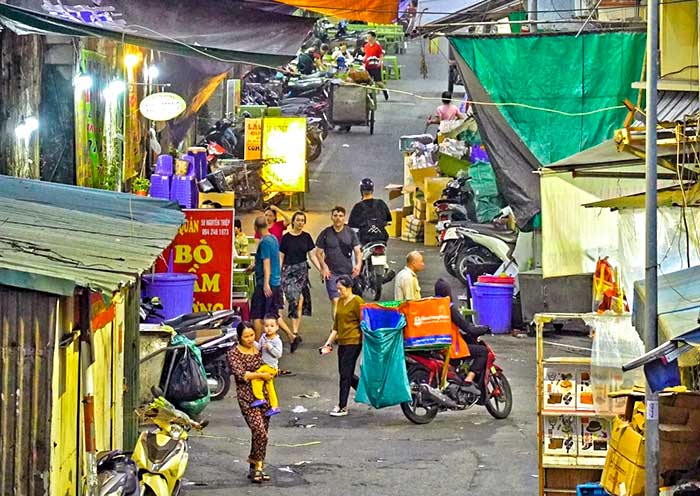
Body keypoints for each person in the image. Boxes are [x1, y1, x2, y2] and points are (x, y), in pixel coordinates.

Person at [228, 321, 274, 483]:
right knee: (259, 431)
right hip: (247, 398)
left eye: (251, 335)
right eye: (245, 336)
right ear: (239, 337)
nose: (249, 339)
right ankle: (257, 466)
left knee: (261, 434)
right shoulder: (233, 353)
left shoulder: (259, 348)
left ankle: (257, 468)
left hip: (264, 396)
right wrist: (260, 375)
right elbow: (241, 375)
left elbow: (271, 361)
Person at [434, 278, 487, 396]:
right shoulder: (449, 308)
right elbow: (468, 329)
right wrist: (485, 328)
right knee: (482, 352)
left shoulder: (433, 306)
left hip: (438, 345)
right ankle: (469, 380)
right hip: (452, 348)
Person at [320, 275, 364, 417]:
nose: (339, 292)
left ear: (349, 287)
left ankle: (342, 405)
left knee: (345, 375)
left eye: (341, 289)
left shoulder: (357, 301)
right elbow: (336, 327)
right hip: (342, 342)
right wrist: (328, 343)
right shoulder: (339, 302)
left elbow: (364, 322)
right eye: (337, 289)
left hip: (354, 341)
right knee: (345, 373)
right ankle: (364, 390)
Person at [280, 211, 321, 352]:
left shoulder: (307, 237)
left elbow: (312, 255)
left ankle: (295, 332)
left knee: (300, 300)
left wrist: (321, 269)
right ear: (293, 221)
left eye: (302, 220)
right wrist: (278, 274)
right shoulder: (285, 238)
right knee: (294, 298)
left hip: (302, 271)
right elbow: (281, 256)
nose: (300, 223)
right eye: (297, 220)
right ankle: (293, 332)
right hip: (288, 272)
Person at [314, 206, 362, 319]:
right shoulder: (326, 233)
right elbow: (318, 253)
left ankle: (344, 327)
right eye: (335, 216)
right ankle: (336, 330)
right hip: (331, 273)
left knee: (346, 301)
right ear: (331, 217)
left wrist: (358, 265)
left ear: (344, 217)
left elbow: (357, 251)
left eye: (340, 216)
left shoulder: (350, 232)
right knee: (335, 300)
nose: (338, 218)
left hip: (347, 273)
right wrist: (324, 267)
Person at [250, 216, 283, 339]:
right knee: (272, 314)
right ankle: (291, 337)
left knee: (257, 316)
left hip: (265, 283)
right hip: (275, 282)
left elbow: (266, 263)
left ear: (255, 227)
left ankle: (257, 344)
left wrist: (265, 284)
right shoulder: (273, 238)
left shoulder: (264, 242)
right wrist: (253, 267)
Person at [250, 315, 283, 417]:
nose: (269, 328)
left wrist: (270, 347)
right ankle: (274, 406)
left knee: (256, 376)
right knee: (270, 388)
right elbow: (259, 348)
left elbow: (279, 354)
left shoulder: (277, 341)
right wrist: (252, 342)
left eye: (272, 326)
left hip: (271, 367)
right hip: (264, 364)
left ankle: (260, 397)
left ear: (277, 327)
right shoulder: (263, 337)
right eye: (267, 326)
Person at [348, 178, 392, 245]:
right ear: (372, 190)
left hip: (365, 239)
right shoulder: (381, 203)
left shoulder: (358, 207)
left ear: (361, 191)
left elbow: (351, 225)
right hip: (382, 237)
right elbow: (389, 219)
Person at [363, 31, 389, 101]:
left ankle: (385, 91)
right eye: (367, 36)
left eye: (369, 36)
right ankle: (371, 95)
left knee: (378, 81)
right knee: (368, 81)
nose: (368, 38)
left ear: (373, 37)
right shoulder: (366, 46)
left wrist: (380, 62)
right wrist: (364, 61)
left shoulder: (378, 46)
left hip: (375, 66)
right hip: (368, 66)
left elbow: (381, 55)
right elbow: (366, 55)